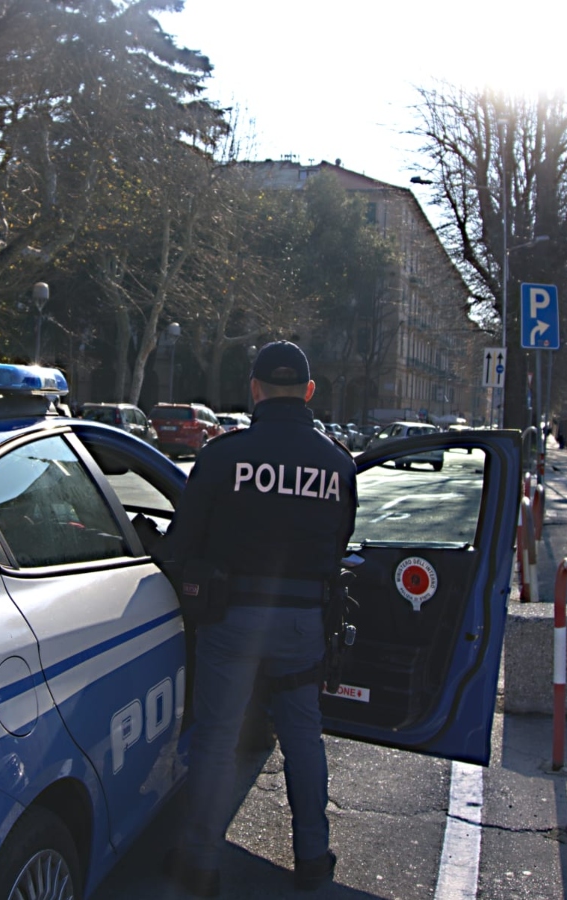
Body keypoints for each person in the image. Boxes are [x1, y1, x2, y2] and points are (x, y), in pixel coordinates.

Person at [161, 341, 358, 897]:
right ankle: (313, 858)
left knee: (217, 739)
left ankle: (198, 863)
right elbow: (340, 542)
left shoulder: (224, 455)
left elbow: (183, 544)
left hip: (232, 621)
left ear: (253, 389)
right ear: (310, 392)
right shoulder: (338, 462)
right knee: (302, 736)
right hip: (302, 622)